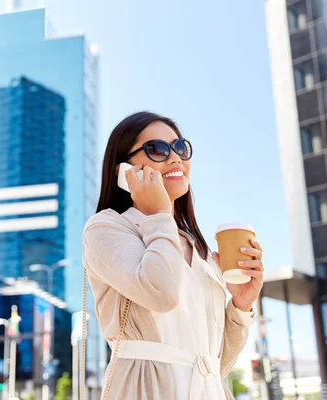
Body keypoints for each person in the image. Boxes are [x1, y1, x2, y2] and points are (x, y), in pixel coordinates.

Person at [82, 112, 264, 399]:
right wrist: (159, 214)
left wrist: (240, 305)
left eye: (180, 147)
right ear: (125, 170)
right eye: (158, 149)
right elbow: (161, 294)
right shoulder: (107, 227)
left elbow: (213, 365)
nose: (176, 158)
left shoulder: (198, 249)